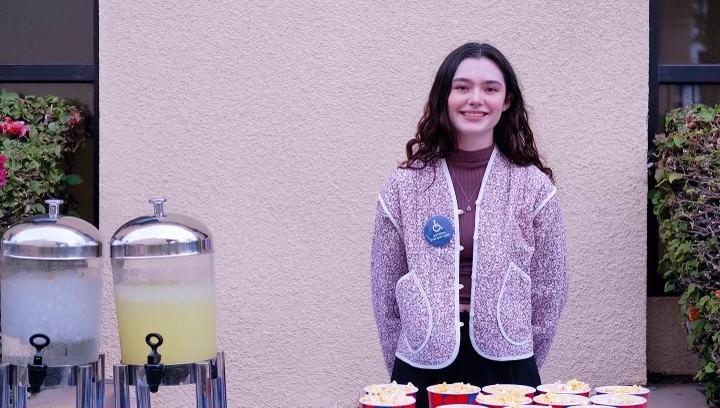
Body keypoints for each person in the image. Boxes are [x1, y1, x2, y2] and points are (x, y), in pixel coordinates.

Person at [370, 42, 568, 408]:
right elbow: (385, 291)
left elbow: (550, 290)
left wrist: (521, 351)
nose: (475, 99)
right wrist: (405, 354)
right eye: (462, 87)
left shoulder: (533, 187)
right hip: (421, 364)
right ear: (444, 95)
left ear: (506, 101)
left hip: (508, 366)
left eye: (490, 89)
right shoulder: (403, 185)